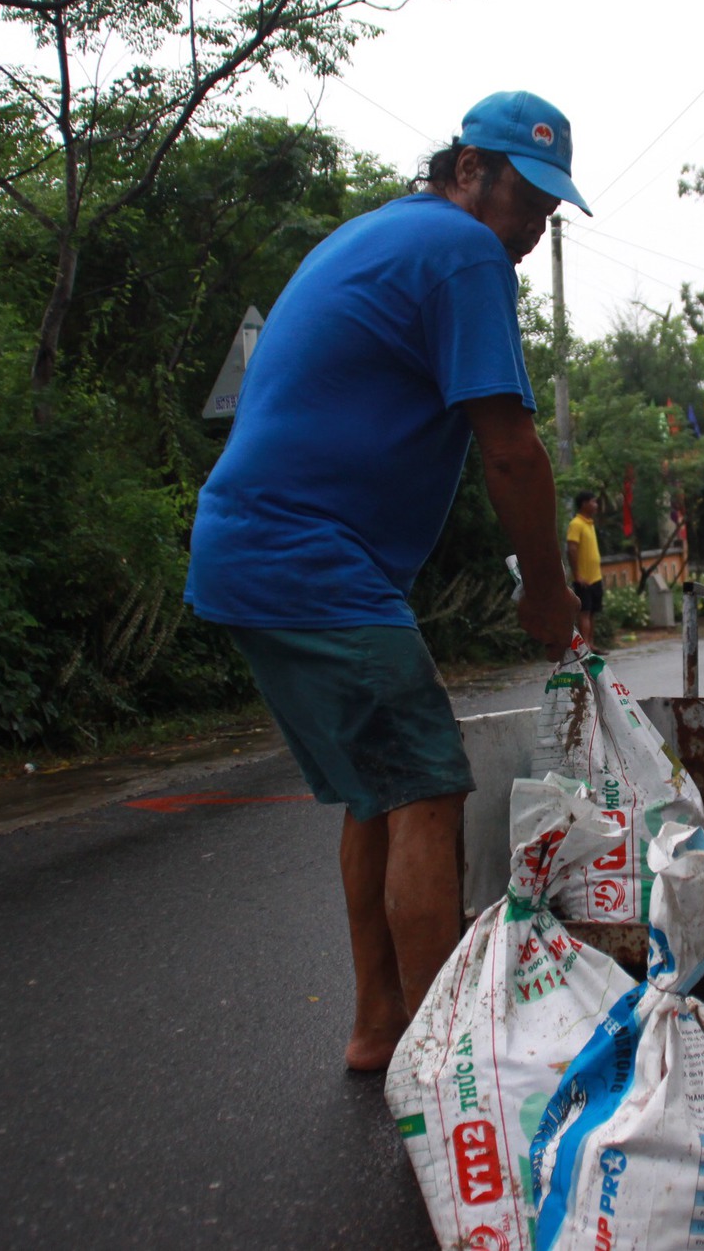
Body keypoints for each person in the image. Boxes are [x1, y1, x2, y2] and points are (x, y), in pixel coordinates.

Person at [185, 91, 587, 1071]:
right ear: (464, 171)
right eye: (520, 201)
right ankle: (455, 1066)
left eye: (545, 212)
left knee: (378, 791)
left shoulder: (383, 235)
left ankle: (381, 1026)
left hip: (257, 549)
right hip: (303, 554)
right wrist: (547, 592)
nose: (529, 231)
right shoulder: (460, 251)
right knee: (425, 787)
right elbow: (511, 454)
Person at [565, 491, 604, 643]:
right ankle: (585, 646)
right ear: (584, 504)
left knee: (593, 611)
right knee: (585, 612)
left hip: (595, 577)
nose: (596, 505)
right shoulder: (576, 524)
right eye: (593, 502)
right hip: (583, 578)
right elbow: (572, 549)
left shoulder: (590, 523)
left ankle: (591, 644)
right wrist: (577, 575)